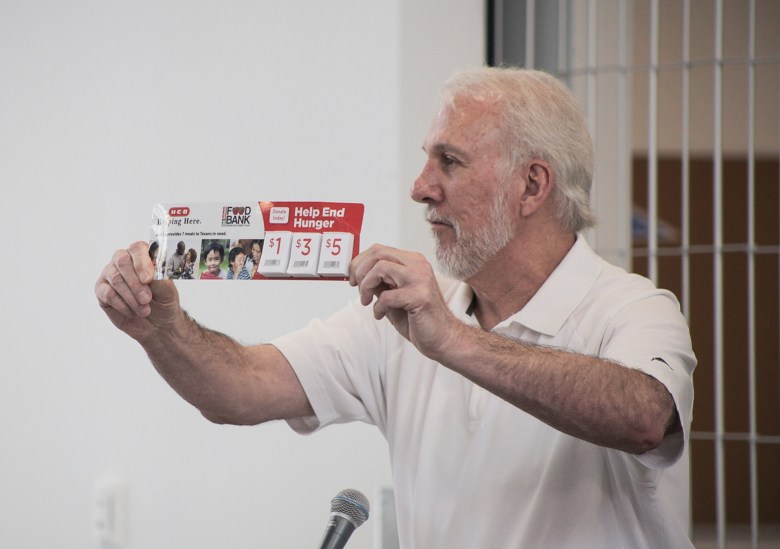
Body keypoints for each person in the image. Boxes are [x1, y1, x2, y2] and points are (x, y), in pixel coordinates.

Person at [95, 67, 696, 548]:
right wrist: (164, 329)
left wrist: (454, 342)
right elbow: (242, 389)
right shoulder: (401, 319)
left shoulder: (633, 309)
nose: (420, 186)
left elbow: (643, 416)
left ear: (532, 187)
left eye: (449, 161)